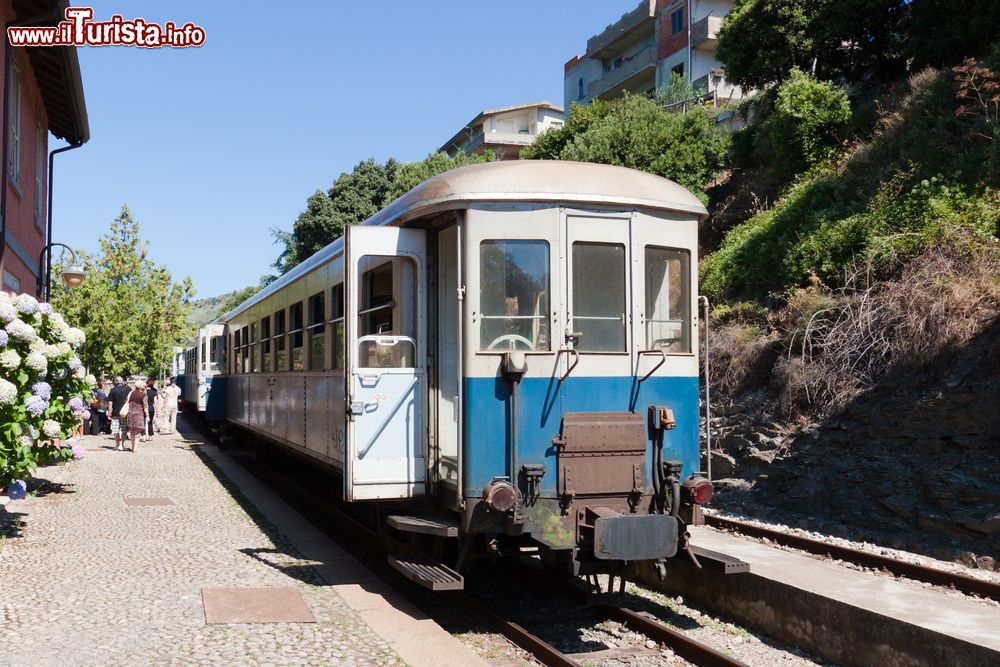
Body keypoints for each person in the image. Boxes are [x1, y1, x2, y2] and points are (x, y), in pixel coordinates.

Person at [108, 376, 132, 451]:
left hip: (115, 412)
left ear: (115, 382)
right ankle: (122, 445)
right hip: (125, 412)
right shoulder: (128, 389)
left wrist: (109, 412)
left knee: (116, 430)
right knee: (124, 429)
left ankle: (117, 444)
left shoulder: (113, 390)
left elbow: (110, 402)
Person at [127, 379, 148, 452]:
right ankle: (135, 447)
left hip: (130, 414)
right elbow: (145, 407)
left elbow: (126, 401)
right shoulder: (143, 396)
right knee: (138, 431)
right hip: (139, 415)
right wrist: (147, 415)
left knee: (132, 431)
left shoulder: (131, 393)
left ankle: (132, 446)